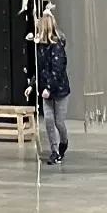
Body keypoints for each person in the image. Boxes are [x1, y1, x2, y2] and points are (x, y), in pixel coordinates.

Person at [34, 9, 71, 165]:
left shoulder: (57, 47)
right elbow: (39, 68)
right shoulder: (40, 47)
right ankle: (54, 151)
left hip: (59, 91)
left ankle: (64, 142)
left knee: (59, 122)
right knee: (48, 120)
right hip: (45, 91)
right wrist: (33, 84)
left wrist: (49, 88)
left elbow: (58, 69)